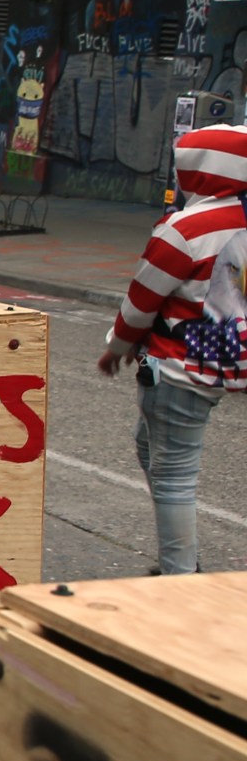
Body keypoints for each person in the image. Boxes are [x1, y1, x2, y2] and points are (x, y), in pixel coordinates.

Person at [100, 122, 245, 576]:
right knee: (150, 445)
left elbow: (141, 302)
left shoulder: (186, 228)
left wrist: (116, 347)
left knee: (174, 480)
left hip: (179, 367)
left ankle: (179, 580)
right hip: (224, 358)